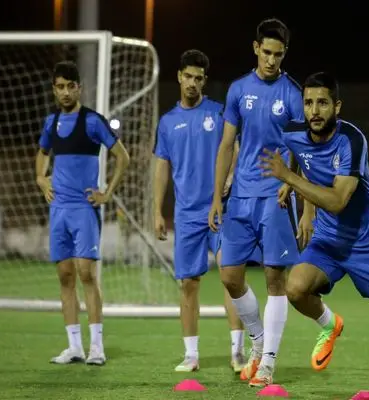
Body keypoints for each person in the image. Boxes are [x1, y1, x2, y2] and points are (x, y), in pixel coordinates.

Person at [259, 71, 369, 400]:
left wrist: (290, 180)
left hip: (368, 243)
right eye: (308, 103)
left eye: (322, 103)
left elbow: (338, 201)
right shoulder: (294, 132)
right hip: (328, 240)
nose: (314, 111)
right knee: (295, 289)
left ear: (336, 106)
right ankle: (329, 324)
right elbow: (299, 153)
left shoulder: (351, 140)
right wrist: (294, 183)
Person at [208, 18, 313, 388]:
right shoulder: (238, 90)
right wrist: (217, 197)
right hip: (240, 196)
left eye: (278, 54)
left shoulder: (293, 94)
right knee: (229, 275)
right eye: (266, 52)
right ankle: (258, 338)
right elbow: (226, 145)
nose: (271, 60)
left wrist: (293, 184)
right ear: (256, 48)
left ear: (285, 54)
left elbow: (304, 147)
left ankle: (268, 362)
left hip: (275, 195)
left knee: (274, 278)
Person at [153, 49, 255, 373]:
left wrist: (230, 176)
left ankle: (238, 352)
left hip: (221, 211)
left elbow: (234, 148)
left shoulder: (217, 112)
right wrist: (157, 210)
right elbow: (161, 168)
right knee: (188, 284)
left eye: (198, 78)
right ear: (179, 77)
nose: (193, 83)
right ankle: (191, 355)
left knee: (230, 277)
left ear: (204, 81)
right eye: (188, 76)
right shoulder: (167, 122)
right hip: (186, 215)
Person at [36, 60, 130, 366]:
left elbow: (122, 157)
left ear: (80, 88)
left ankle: (97, 347)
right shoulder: (51, 123)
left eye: (70, 86)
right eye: (59, 87)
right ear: (54, 90)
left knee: (87, 274)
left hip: (84, 209)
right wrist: (41, 178)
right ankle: (74, 347)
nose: (65, 92)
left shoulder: (92, 121)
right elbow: (42, 154)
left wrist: (107, 193)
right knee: (65, 276)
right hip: (58, 210)